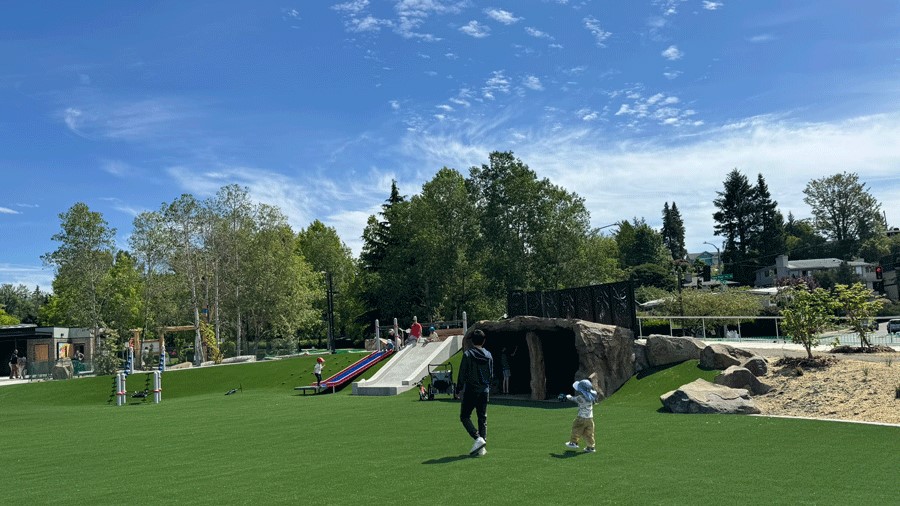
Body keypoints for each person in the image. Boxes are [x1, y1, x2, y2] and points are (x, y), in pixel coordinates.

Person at [456, 330, 493, 457]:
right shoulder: (488, 355)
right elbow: (491, 374)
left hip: (471, 390)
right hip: (484, 390)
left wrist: (458, 388)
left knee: (465, 416)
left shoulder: (468, 354)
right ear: (484, 341)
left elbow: (462, 373)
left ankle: (478, 438)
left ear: (472, 341)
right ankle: (482, 446)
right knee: (482, 418)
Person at [564, 379, 598, 453]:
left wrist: (568, 396)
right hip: (590, 419)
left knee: (576, 428)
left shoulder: (580, 398)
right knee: (589, 433)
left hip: (581, 418)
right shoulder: (592, 397)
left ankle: (573, 442)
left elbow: (573, 399)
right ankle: (591, 447)